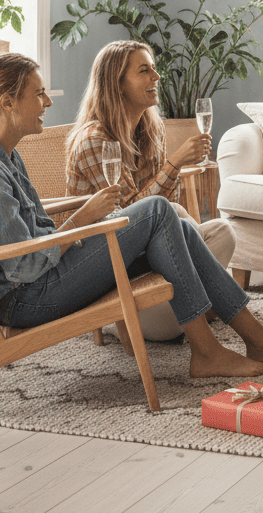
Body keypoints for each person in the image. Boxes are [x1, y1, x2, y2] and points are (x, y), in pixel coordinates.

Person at [0, 53, 263, 378]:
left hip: (44, 275)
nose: (48, 102)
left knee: (174, 226)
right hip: (28, 298)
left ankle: (252, 340)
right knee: (158, 211)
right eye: (38, 94)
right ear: (8, 102)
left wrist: (76, 228)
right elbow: (24, 266)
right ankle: (213, 350)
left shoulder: (2, 152)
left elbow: (33, 233)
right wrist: (83, 219)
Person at [66, 40, 235, 339]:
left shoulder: (150, 130)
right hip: (111, 266)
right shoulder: (95, 141)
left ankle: (194, 306)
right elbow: (131, 218)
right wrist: (175, 163)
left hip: (152, 256)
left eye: (154, 69)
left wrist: (173, 169)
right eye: (145, 70)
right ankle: (164, 314)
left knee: (223, 231)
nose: (156, 77)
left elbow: (167, 207)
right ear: (116, 84)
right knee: (172, 330)